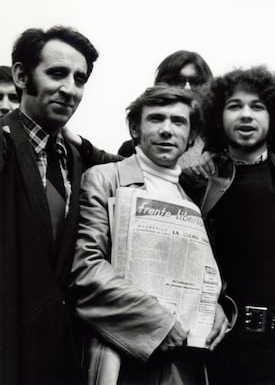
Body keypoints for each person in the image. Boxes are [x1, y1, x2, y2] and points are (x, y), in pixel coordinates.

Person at [71, 86, 228, 384]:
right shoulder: (104, 178)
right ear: (135, 128)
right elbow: (85, 269)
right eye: (156, 119)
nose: (167, 130)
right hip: (123, 357)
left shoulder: (193, 198)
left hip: (185, 362)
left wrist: (214, 308)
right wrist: (157, 322)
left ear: (192, 136)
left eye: (178, 121)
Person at [182, 66, 275, 384]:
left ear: (274, 116)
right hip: (222, 345)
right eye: (235, 106)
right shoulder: (198, 180)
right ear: (218, 117)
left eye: (257, 106)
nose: (246, 115)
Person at [0, 26, 103, 384]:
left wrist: (85, 147)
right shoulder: (3, 143)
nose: (70, 89)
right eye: (57, 73)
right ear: (21, 76)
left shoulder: (75, 158)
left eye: (80, 79)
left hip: (61, 356)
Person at [117, 50, 213, 163]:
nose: (187, 88)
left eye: (196, 82)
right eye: (178, 81)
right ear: (160, 84)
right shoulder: (133, 148)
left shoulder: (222, 148)